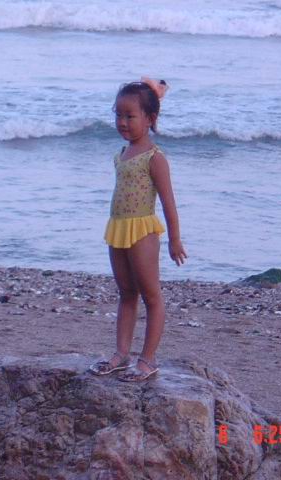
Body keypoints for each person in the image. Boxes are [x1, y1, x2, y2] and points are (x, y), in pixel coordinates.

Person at [89, 77, 187, 382]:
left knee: (151, 295)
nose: (122, 122)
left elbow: (169, 202)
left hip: (143, 231)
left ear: (150, 118)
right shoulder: (122, 153)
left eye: (130, 116)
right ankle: (121, 353)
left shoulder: (155, 158)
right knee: (126, 292)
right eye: (118, 115)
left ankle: (148, 359)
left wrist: (174, 240)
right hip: (118, 228)